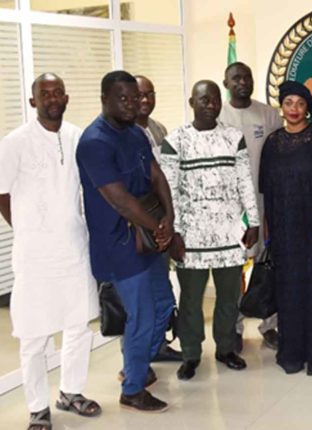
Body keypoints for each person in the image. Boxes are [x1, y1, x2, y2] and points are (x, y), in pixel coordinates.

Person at [0, 73, 101, 430]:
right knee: (33, 335)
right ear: (33, 101)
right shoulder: (15, 142)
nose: (53, 98)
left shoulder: (77, 137)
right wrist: (27, 227)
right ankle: (38, 407)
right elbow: (1, 192)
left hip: (74, 248)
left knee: (78, 326)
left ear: (67, 98)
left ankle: (70, 392)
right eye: (45, 94)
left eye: (58, 92)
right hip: (35, 256)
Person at [77, 70, 174, 412]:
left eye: (135, 98)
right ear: (104, 99)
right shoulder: (94, 142)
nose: (133, 104)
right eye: (123, 99)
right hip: (119, 244)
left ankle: (137, 363)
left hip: (149, 235)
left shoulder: (135, 133)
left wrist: (169, 218)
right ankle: (132, 388)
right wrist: (160, 228)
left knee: (163, 304)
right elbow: (119, 200)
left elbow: (156, 175)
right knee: (142, 314)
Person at [160, 80, 260, 380]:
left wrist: (253, 221)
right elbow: (169, 192)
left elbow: (245, 181)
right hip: (191, 236)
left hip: (230, 232)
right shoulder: (176, 140)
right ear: (192, 103)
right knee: (191, 300)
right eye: (204, 100)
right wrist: (175, 233)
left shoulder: (233, 137)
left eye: (215, 99)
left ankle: (226, 348)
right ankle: (191, 353)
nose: (211, 105)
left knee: (229, 297)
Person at [258, 80, 312, 375]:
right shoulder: (273, 143)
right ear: (281, 107)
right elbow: (266, 189)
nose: (294, 109)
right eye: (288, 103)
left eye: (300, 103)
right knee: (289, 288)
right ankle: (292, 349)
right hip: (283, 228)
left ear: (307, 108)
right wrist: (267, 227)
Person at [219, 61, 282, 352]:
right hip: (230, 207)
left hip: (263, 201)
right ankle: (234, 327)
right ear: (226, 84)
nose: (242, 82)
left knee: (267, 264)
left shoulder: (269, 114)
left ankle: (270, 325)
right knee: (233, 268)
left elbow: (279, 154)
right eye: (236, 78)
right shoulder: (217, 116)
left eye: (247, 77)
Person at [133, 74, 182, 363]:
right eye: (139, 94)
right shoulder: (124, 133)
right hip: (137, 224)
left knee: (161, 284)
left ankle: (158, 345)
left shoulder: (158, 128)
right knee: (139, 295)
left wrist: (168, 219)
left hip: (161, 219)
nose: (145, 100)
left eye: (149, 94)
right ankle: (134, 357)